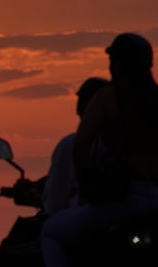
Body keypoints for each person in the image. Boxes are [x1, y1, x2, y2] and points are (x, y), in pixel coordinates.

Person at [41, 33, 158, 267]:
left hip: (124, 200)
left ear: (118, 64)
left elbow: (81, 145)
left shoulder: (109, 98)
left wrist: (86, 186)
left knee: (51, 232)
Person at [15, 77, 111, 216]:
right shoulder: (130, 141)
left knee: (48, 234)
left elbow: (54, 204)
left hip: (91, 218)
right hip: (131, 213)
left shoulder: (72, 144)